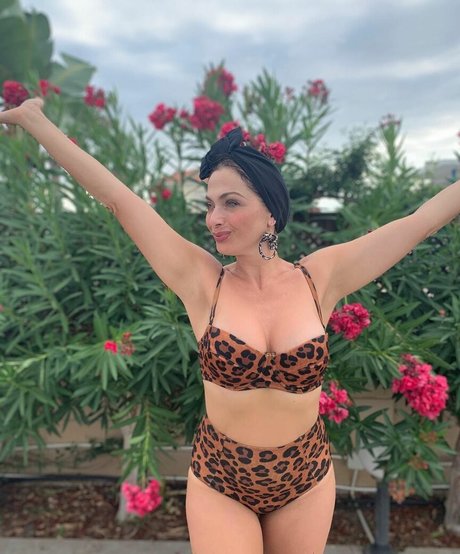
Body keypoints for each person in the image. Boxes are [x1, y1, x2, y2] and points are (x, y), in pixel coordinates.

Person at [1, 98, 459, 554]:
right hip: (223, 479)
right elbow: (120, 200)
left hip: (304, 476)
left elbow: (419, 223)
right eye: (210, 205)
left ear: (271, 211)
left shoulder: (320, 278)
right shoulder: (203, 282)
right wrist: (35, 121)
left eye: (231, 203)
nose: (214, 218)